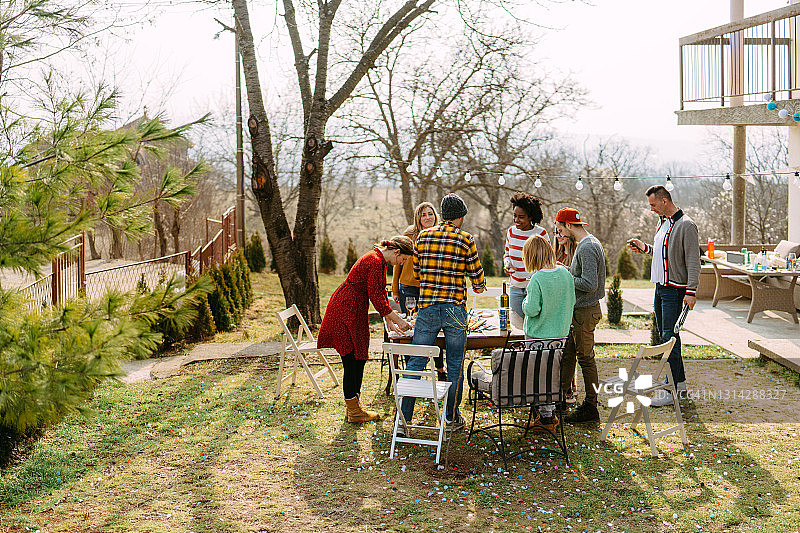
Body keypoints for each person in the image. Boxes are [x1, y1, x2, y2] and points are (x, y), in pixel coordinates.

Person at [400, 193, 486, 434]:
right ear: (459, 217)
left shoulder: (423, 237)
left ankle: (404, 420)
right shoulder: (465, 239)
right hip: (455, 309)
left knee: (416, 361)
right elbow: (477, 279)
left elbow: (417, 274)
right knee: (455, 363)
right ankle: (450, 417)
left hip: (427, 308)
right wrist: (477, 285)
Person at [317, 236, 413, 423]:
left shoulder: (379, 260)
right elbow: (377, 298)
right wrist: (398, 321)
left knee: (358, 357)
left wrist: (389, 320)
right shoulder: (375, 261)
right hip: (345, 309)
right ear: (397, 252)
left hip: (353, 308)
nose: (401, 263)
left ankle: (354, 407)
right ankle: (354, 411)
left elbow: (379, 294)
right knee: (351, 360)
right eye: (403, 260)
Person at [627, 185, 700, 407]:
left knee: (669, 338)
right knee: (668, 335)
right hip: (660, 287)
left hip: (675, 290)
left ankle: (670, 390)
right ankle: (680, 384)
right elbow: (664, 253)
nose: (651, 209)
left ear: (665, 201)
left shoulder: (686, 225)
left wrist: (691, 291)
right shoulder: (663, 223)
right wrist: (646, 249)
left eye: (653, 205)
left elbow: (693, 261)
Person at [555, 207, 606, 423]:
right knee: (568, 355)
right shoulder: (587, 243)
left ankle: (591, 406)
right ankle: (558, 400)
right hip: (577, 311)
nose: (558, 233)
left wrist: (565, 275)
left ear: (567, 225)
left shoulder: (587, 247)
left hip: (585, 312)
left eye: (559, 227)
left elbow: (590, 284)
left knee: (586, 359)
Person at [520, 234, 575, 432]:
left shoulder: (537, 279)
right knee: (552, 374)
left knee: (538, 376)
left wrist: (524, 302)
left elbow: (532, 309)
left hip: (538, 336)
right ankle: (548, 414)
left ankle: (545, 418)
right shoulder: (565, 274)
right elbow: (571, 301)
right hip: (560, 334)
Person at [391, 202, 446, 380]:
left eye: (430, 213)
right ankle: (412, 372)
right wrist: (395, 288)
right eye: (424, 215)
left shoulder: (440, 236)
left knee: (434, 330)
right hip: (408, 288)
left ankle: (439, 369)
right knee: (409, 330)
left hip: (430, 290)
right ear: (418, 218)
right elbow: (397, 264)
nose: (428, 217)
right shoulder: (409, 236)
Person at [503, 193, 549, 329]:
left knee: (535, 325)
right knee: (517, 326)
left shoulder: (541, 234)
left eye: (521, 217)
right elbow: (507, 254)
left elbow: (547, 262)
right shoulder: (511, 232)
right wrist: (507, 264)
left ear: (531, 217)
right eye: (514, 216)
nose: (516, 220)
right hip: (516, 287)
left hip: (535, 289)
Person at [553, 229, 579, 403]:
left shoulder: (577, 253)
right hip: (556, 305)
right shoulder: (555, 253)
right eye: (556, 233)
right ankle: (557, 388)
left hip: (572, 305)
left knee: (570, 351)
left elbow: (578, 278)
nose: (559, 236)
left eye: (561, 232)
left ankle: (569, 388)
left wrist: (564, 271)